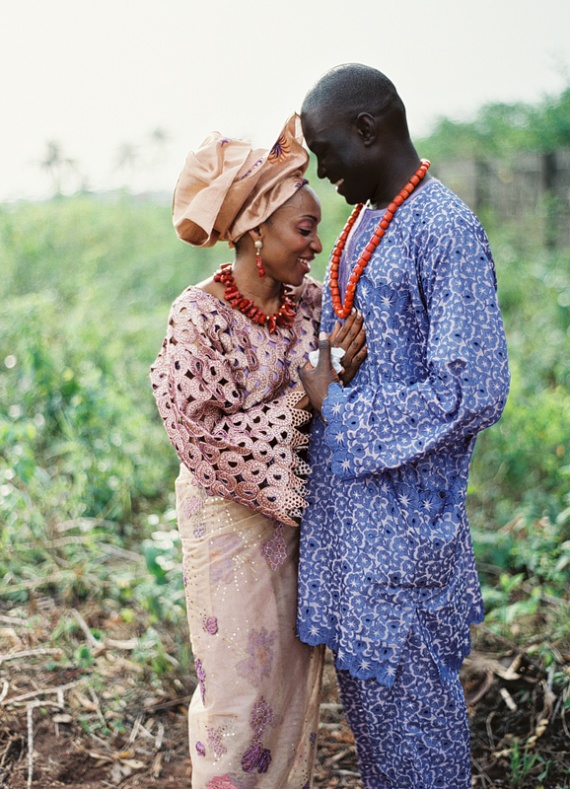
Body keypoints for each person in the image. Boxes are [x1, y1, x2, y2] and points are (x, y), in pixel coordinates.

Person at [296, 64, 510, 789]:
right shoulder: (363, 222)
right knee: (380, 735)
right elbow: (349, 360)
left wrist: (341, 409)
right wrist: (329, 375)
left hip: (407, 536)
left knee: (421, 736)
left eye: (326, 152)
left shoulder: (444, 229)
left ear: (367, 129)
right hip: (357, 537)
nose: (323, 172)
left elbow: (472, 388)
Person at [150, 114, 365, 789]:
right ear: (254, 232)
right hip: (229, 532)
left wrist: (331, 380)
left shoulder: (310, 305)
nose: (317, 244)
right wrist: (309, 393)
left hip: (298, 525)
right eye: (304, 229)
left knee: (291, 692)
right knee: (237, 697)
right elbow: (204, 439)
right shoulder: (198, 316)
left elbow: (337, 387)